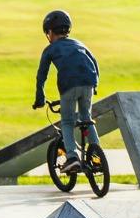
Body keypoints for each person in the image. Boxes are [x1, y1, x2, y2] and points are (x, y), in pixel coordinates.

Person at [32, 9, 100, 173]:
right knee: (86, 118)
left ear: (49, 32)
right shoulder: (79, 44)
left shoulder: (50, 49)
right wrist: (94, 86)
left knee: (67, 122)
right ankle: (97, 156)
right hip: (89, 82)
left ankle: (72, 158)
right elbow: (94, 62)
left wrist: (40, 99)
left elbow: (41, 75)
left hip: (69, 84)